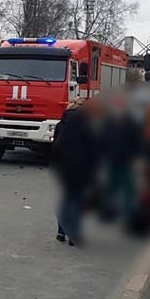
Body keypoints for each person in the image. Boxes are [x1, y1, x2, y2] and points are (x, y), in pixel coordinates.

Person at [51, 97, 98, 247]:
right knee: (77, 200)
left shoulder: (61, 124)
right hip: (80, 167)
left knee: (65, 199)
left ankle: (61, 231)